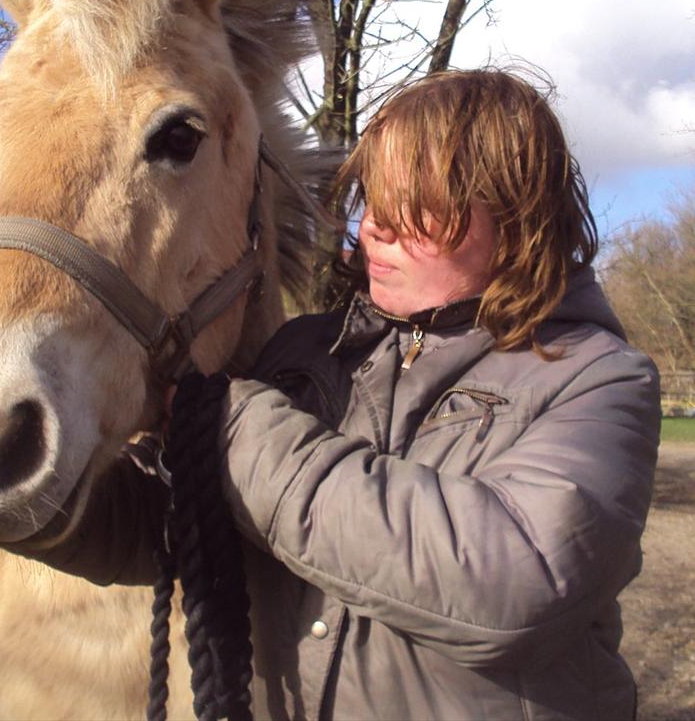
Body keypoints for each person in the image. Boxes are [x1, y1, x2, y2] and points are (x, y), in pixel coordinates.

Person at [39, 68, 661, 720]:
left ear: (516, 213)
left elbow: (519, 584)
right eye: (372, 201)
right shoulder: (309, 352)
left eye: (415, 204)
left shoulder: (598, 378)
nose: (372, 230)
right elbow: (174, 526)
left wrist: (236, 435)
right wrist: (39, 482)